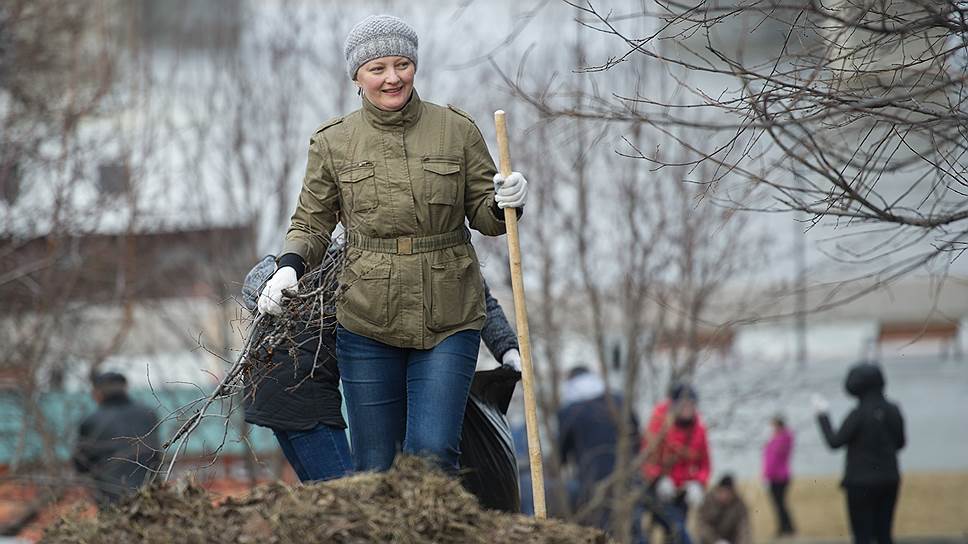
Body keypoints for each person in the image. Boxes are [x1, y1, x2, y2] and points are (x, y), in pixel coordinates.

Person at [256, 14, 528, 474]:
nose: (392, 78)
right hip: (367, 321)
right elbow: (311, 224)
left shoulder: (456, 130)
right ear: (357, 77)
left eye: (402, 64)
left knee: (433, 453)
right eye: (377, 68)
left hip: (450, 313)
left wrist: (508, 201)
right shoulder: (333, 142)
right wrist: (288, 267)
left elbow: (486, 216)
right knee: (375, 466)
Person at [241, 253, 352, 482]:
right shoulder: (337, 269)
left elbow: (252, 286)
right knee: (342, 491)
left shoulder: (294, 265)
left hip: (268, 383)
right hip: (302, 390)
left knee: (322, 492)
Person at [813, 362, 905, 544]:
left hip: (860, 482)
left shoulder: (858, 414)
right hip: (889, 478)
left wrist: (822, 415)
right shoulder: (893, 410)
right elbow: (900, 443)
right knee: (884, 533)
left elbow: (835, 442)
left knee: (862, 535)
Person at [558, 366, 643, 541]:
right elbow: (636, 438)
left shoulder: (570, 411)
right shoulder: (619, 400)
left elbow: (562, 456)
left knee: (600, 529)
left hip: (591, 480)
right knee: (632, 528)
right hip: (626, 476)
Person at [72, 372, 161, 506]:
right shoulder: (148, 414)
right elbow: (157, 455)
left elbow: (81, 465)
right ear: (125, 389)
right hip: (150, 496)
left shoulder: (91, 422)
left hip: (111, 499)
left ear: (98, 393)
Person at [641, 383, 711, 544]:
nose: (688, 408)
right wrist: (659, 479)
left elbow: (705, 463)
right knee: (677, 529)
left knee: (675, 534)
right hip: (658, 490)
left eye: (691, 404)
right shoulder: (659, 423)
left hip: (683, 492)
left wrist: (699, 483)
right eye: (683, 404)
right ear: (674, 405)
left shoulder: (699, 429)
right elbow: (647, 458)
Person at [763, 414, 796, 537]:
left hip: (778, 477)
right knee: (779, 503)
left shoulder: (781, 439)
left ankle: (785, 527)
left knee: (779, 503)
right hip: (776, 476)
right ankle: (786, 527)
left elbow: (774, 459)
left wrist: (767, 475)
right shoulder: (778, 439)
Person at [696, 475, 752, 544]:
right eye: (722, 491)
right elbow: (702, 526)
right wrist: (716, 541)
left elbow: (744, 529)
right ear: (718, 490)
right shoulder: (708, 501)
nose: (725, 495)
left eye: (728, 492)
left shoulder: (739, 505)